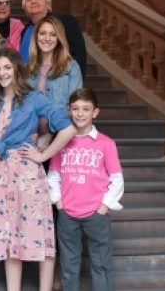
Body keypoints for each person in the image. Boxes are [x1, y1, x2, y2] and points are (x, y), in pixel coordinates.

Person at [0, 48, 77, 291]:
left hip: (26, 173)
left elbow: (67, 128)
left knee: (37, 233)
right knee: (9, 237)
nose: (2, 73)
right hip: (1, 173)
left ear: (17, 68)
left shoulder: (33, 97)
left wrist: (43, 154)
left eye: (7, 67)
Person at [48, 88, 124, 291]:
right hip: (67, 213)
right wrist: (58, 203)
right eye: (75, 109)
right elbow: (53, 176)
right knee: (69, 264)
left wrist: (103, 206)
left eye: (86, 109)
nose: (80, 113)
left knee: (100, 263)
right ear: (69, 111)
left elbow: (117, 179)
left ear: (95, 112)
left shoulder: (106, 144)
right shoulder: (62, 142)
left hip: (96, 214)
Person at [27, 15, 83, 149]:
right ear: (36, 36)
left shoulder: (71, 67)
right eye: (43, 33)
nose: (47, 39)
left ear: (59, 39)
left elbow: (74, 106)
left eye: (53, 34)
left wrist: (49, 135)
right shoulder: (26, 70)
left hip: (61, 139)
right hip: (31, 140)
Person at [12, 0, 87, 80]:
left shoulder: (64, 21)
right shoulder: (24, 31)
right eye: (29, 0)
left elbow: (79, 53)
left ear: (48, 5)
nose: (33, 1)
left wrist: (76, 84)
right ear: (25, 9)